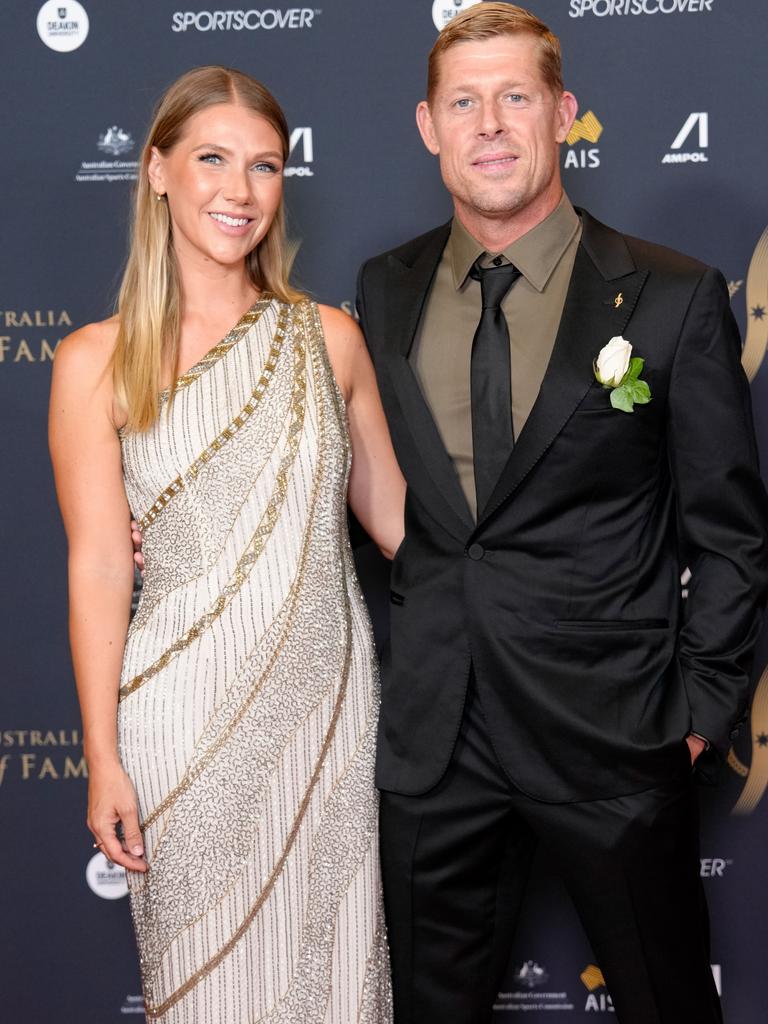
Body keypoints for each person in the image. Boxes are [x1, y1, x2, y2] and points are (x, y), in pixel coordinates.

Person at [355, 5, 768, 1023]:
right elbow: (367, 484)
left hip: (615, 732)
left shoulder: (670, 296)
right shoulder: (385, 287)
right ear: (426, 126)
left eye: (514, 97)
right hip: (436, 740)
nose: (488, 123)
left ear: (564, 114)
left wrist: (697, 715)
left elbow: (731, 533)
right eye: (464, 101)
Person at [49, 65, 402, 1023]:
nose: (239, 192)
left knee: (337, 992)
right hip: (178, 725)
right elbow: (96, 566)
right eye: (212, 160)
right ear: (157, 170)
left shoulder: (328, 339)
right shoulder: (94, 360)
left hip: (325, 724)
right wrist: (103, 755)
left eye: (265, 166)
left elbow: (408, 529)